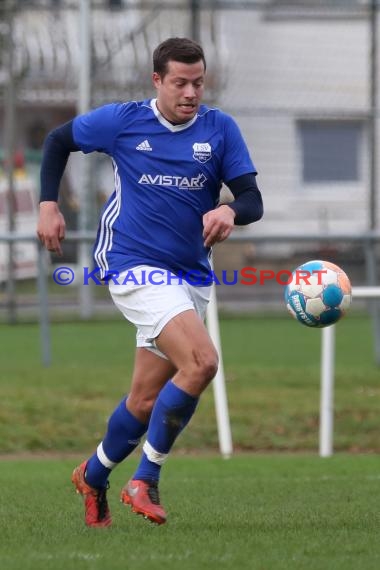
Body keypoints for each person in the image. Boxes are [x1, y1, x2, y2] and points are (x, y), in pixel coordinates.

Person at [37, 37, 263, 528]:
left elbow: (252, 198)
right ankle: (145, 478)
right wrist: (48, 205)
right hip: (132, 264)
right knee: (202, 362)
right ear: (157, 81)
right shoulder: (123, 121)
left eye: (198, 82)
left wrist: (229, 207)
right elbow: (58, 140)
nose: (190, 93)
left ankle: (93, 474)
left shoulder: (219, 129)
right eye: (180, 82)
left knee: (143, 400)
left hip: (191, 276)